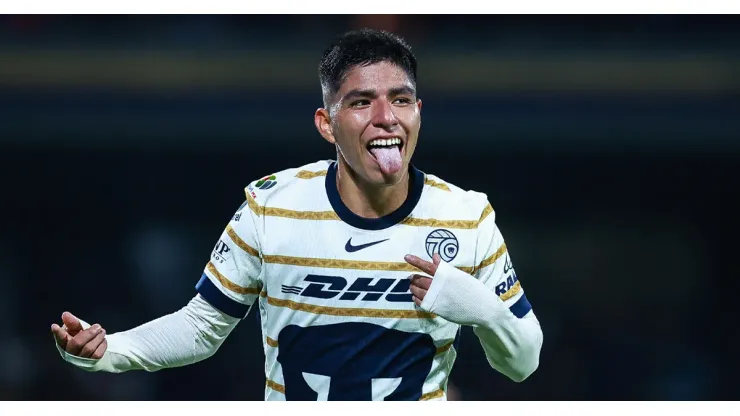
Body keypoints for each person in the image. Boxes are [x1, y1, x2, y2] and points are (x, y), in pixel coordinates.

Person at [51, 28, 543, 401]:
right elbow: (201, 328)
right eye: (361, 102)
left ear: (418, 111)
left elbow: (523, 362)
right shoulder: (271, 208)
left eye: (401, 99)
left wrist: (481, 309)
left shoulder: (467, 217)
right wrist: (108, 351)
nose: (386, 117)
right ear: (326, 124)